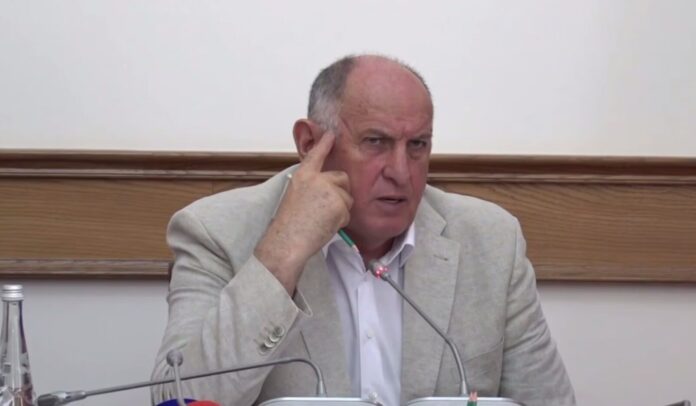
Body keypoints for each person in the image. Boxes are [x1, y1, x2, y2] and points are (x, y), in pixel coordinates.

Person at [151, 54, 576, 406]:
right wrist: (282, 253)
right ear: (309, 144)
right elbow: (179, 400)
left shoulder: (491, 241)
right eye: (376, 142)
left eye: (417, 145)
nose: (401, 173)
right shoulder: (215, 232)